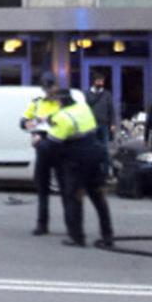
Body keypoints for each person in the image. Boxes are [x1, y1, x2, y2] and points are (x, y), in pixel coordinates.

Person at [49, 89, 114, 248]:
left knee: (74, 198)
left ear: (60, 101)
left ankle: (77, 237)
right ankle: (108, 236)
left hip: (77, 160)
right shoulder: (83, 108)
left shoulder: (62, 117)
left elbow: (54, 142)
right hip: (95, 155)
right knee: (99, 199)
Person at [21, 72, 62, 235]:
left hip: (59, 145)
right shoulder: (37, 103)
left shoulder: (62, 102)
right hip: (42, 146)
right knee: (42, 188)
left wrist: (43, 121)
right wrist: (33, 127)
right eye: (46, 87)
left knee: (65, 187)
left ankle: (72, 225)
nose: (49, 91)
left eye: (51, 86)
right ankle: (42, 224)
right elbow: (23, 122)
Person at [85, 72, 116, 176]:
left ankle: (105, 172)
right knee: (91, 148)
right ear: (94, 81)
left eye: (102, 81)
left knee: (104, 148)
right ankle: (93, 171)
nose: (100, 83)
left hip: (104, 125)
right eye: (98, 81)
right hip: (91, 125)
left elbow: (111, 110)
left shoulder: (107, 94)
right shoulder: (87, 93)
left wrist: (112, 123)